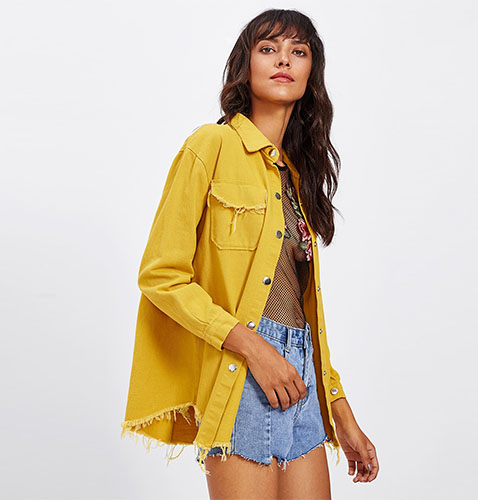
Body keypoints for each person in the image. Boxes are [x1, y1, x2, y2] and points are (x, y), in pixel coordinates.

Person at [121, 8, 379, 499]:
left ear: (311, 72)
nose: (283, 60)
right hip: (243, 367)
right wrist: (255, 349)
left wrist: (340, 411)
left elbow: (301, 311)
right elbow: (161, 275)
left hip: (303, 376)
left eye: (298, 51)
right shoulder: (212, 145)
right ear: (245, 66)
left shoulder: (295, 178)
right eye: (268, 48)